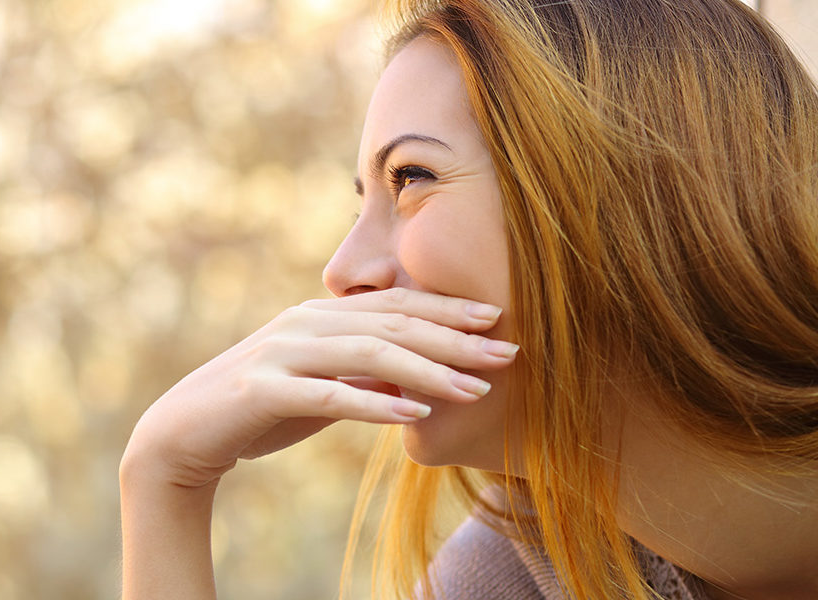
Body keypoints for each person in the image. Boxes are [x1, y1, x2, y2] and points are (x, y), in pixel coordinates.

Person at [119, 0, 818, 598]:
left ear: (624, 191)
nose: (341, 271)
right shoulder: (527, 559)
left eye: (411, 176)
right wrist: (165, 482)